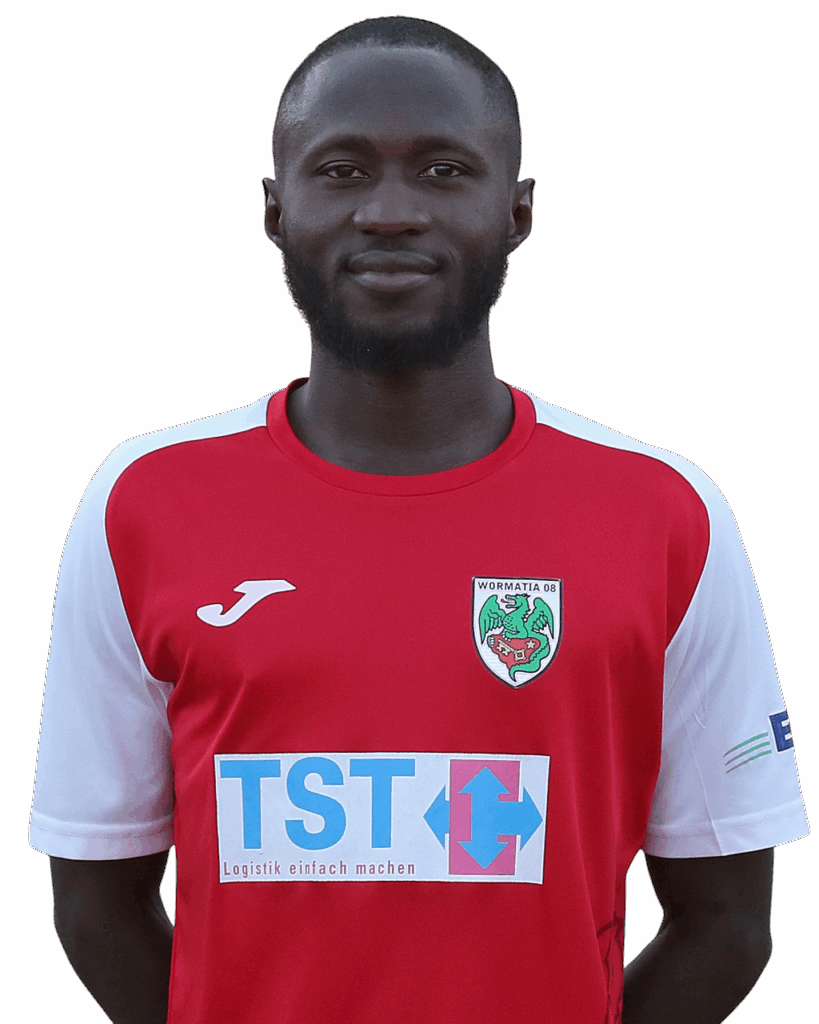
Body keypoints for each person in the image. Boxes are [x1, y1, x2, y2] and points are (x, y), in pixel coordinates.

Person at [31, 15, 809, 1024]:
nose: (390, 213)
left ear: (518, 211)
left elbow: (730, 925)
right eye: (341, 170)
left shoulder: (666, 512)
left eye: (444, 171)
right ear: (273, 210)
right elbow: (93, 903)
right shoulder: (141, 498)